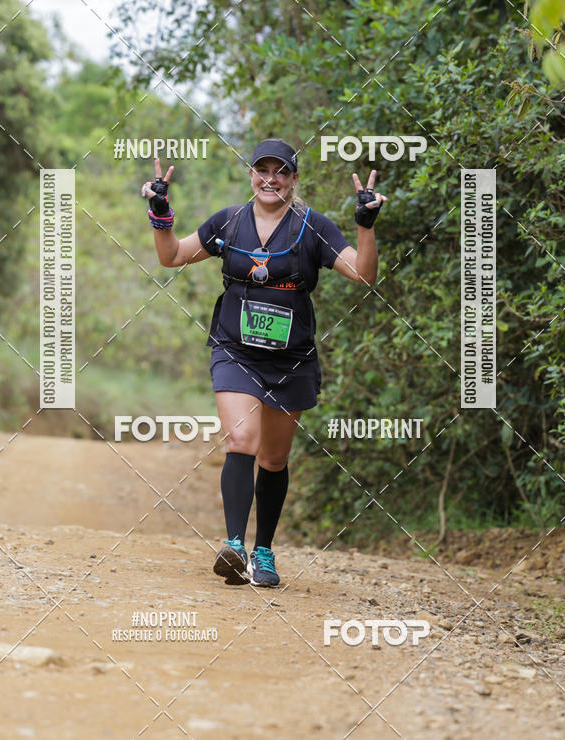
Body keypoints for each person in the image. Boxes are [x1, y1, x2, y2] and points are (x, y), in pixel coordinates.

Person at [141, 138, 387, 587]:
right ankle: (234, 545)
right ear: (250, 175)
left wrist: (365, 224)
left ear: (293, 179)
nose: (270, 179)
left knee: (274, 458)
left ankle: (264, 552)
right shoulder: (229, 222)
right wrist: (160, 211)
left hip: (291, 358)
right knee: (242, 438)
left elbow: (364, 274)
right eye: (262, 170)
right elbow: (171, 255)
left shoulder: (312, 227)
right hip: (235, 348)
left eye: (281, 172)